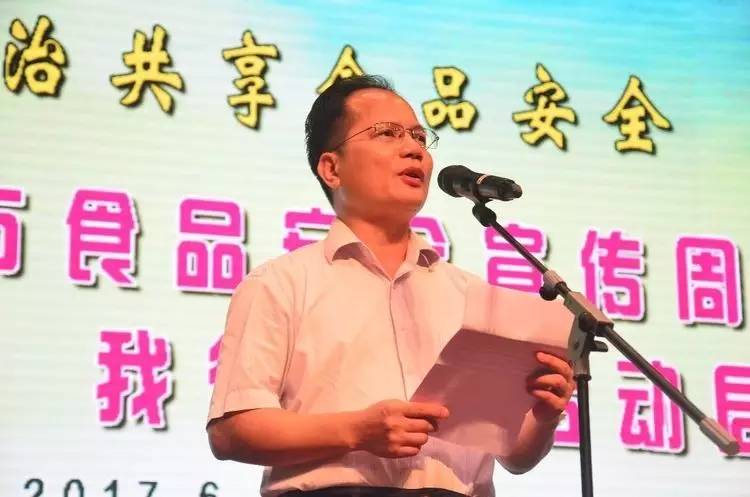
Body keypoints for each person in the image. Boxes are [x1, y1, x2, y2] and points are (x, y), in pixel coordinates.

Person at [206, 75, 575, 497]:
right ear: (332, 168)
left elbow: (515, 457)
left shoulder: (469, 295)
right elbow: (231, 431)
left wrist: (543, 417)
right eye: (386, 133)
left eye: (419, 136)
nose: (414, 149)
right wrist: (356, 431)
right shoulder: (281, 283)